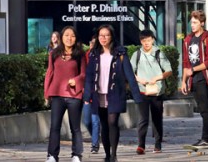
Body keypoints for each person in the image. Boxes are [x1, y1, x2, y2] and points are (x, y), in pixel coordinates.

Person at [84, 24, 143, 162]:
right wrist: (87, 96)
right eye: (101, 35)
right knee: (104, 124)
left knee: (112, 122)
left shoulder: (120, 53)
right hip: (99, 94)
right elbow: (89, 76)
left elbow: (129, 75)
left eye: (106, 35)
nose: (103, 38)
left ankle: (114, 155)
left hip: (115, 93)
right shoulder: (94, 54)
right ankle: (107, 154)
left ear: (112, 36)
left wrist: (137, 97)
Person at [180, 10, 208, 147]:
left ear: (202, 23)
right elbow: (186, 62)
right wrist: (184, 81)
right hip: (193, 79)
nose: (192, 25)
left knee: (204, 110)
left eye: (195, 22)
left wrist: (194, 69)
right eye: (191, 22)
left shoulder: (207, 38)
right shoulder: (187, 40)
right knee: (204, 110)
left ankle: (206, 139)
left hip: (204, 78)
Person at [44, 26, 85, 162]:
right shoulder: (54, 53)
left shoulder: (80, 54)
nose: (69, 38)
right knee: (55, 126)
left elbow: (84, 74)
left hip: (74, 95)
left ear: (76, 38)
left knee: (75, 128)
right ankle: (52, 155)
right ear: (61, 37)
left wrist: (77, 80)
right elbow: (50, 73)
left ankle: (76, 155)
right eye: (66, 35)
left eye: (72, 35)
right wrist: (46, 93)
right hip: (57, 94)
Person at [131, 29, 173, 154]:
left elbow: (169, 70)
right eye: (144, 41)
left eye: (149, 40)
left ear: (153, 40)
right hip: (142, 91)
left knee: (157, 119)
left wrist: (157, 78)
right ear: (140, 41)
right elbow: (130, 71)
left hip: (157, 92)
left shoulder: (159, 53)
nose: (146, 43)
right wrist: (138, 79)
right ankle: (141, 145)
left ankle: (158, 144)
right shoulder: (137, 54)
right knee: (143, 119)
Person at [82, 36, 101, 154]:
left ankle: (95, 144)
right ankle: (96, 135)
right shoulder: (86, 56)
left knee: (95, 120)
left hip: (98, 93)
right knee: (87, 121)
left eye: (95, 43)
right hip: (87, 92)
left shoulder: (101, 56)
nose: (93, 44)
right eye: (91, 42)